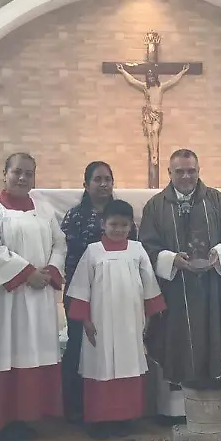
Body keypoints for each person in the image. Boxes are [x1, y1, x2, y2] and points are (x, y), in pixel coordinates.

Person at [0, 152, 66, 441]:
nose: (23, 178)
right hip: (6, 300)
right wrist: (27, 273)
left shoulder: (44, 209)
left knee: (33, 354)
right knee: (6, 352)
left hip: (39, 298)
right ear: (5, 174)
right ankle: (2, 423)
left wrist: (50, 271)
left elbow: (60, 243)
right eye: (17, 172)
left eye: (29, 173)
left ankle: (27, 417)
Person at [140, 149, 221, 406]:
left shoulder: (215, 200)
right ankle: (175, 409)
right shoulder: (155, 206)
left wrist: (220, 253)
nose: (186, 177)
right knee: (175, 341)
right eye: (180, 172)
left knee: (209, 340)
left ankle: (210, 406)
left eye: (191, 171)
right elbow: (146, 246)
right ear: (169, 172)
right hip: (174, 291)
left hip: (210, 288)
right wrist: (171, 260)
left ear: (198, 171)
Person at [65, 200, 164, 440]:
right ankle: (100, 420)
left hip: (131, 321)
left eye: (124, 225)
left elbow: (149, 284)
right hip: (100, 323)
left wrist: (150, 317)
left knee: (129, 365)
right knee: (101, 366)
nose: (119, 229)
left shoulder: (137, 250)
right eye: (113, 224)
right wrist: (85, 320)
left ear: (131, 226)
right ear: (103, 224)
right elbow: (81, 287)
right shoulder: (93, 251)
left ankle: (125, 419)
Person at [60, 161, 138, 423]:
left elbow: (132, 254)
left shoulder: (123, 214)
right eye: (98, 179)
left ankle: (117, 410)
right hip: (81, 291)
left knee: (117, 350)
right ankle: (79, 408)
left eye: (108, 179)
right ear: (86, 184)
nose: (104, 184)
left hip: (117, 296)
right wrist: (82, 296)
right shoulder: (75, 216)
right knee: (79, 347)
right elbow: (68, 255)